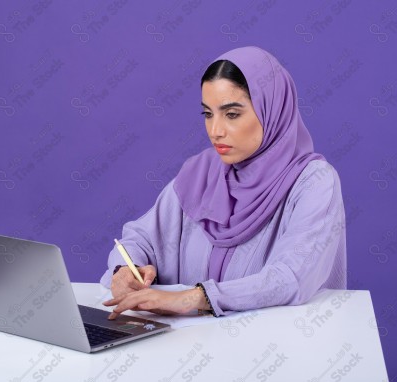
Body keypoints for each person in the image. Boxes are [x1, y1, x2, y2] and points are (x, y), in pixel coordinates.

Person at [100, 46, 347, 319]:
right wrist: (125, 270)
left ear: (272, 109)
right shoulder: (201, 173)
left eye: (232, 114)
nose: (215, 131)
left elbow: (292, 277)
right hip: (188, 349)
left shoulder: (314, 182)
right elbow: (141, 237)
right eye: (208, 114)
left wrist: (194, 298)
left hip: (276, 350)